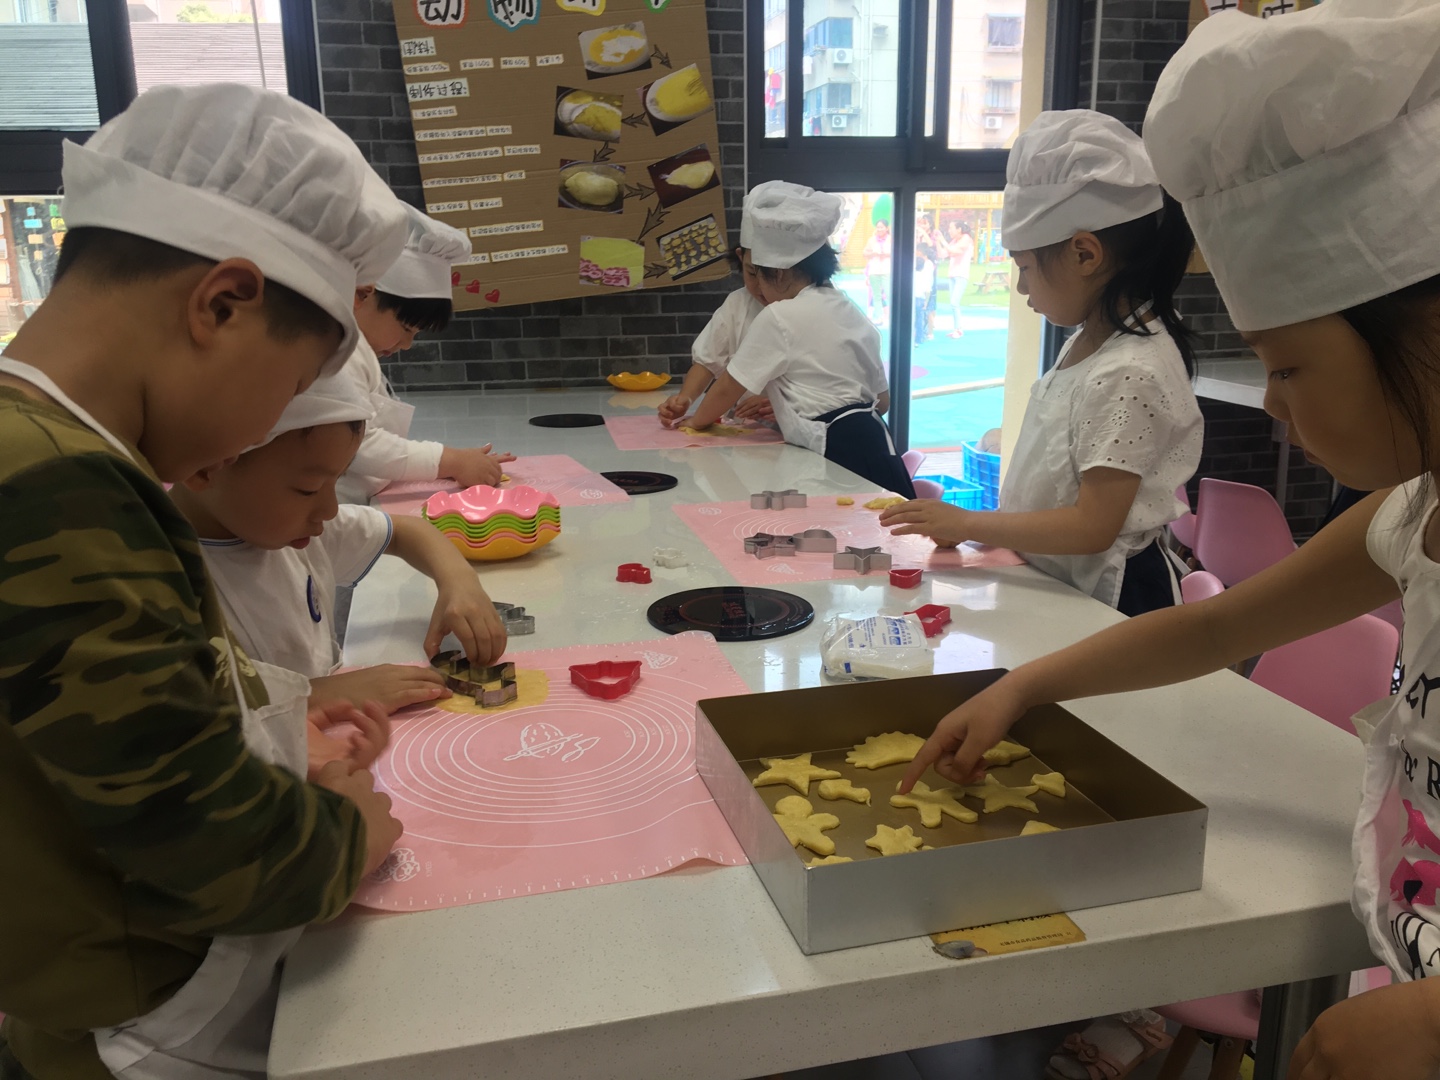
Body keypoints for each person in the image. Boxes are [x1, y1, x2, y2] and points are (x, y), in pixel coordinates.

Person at [901, 4, 1440, 1078]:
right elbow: (1214, 631)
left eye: (1287, 369)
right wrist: (1024, 689)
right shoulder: (1405, 520)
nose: (1270, 406)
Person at [0, 83, 405, 1079]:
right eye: (285, 389)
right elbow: (214, 848)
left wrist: (269, 716)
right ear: (221, 303)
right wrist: (347, 835)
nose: (257, 433)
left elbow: (109, 717)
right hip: (128, 1018)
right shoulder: (62, 486)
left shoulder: (34, 445)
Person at [880, 110, 1202, 616]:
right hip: (1059, 580)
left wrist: (968, 523)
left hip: (1114, 598)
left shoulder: (1132, 368)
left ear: (1085, 254)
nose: (1021, 287)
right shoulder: (1088, 342)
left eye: (1026, 267)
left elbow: (1092, 527)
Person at [169, 365, 509, 774]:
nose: (330, 509)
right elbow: (188, 719)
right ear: (206, 466)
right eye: (309, 488)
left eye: (336, 482)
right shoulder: (160, 583)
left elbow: (409, 531)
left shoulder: (295, 532)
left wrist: (459, 582)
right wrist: (318, 694)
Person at [687, 181, 915, 497]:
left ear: (779, 273)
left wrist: (696, 422)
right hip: (879, 443)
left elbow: (727, 388)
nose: (758, 290)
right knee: (889, 522)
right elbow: (883, 401)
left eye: (759, 276)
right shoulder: (849, 308)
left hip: (837, 452)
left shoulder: (779, 316)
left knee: (833, 525)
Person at [336, 203, 514, 505]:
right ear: (362, 295)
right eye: (406, 328)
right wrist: (451, 461)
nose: (407, 344)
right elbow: (358, 444)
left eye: (415, 334)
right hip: (339, 510)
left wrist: (456, 462)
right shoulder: (341, 355)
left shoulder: (358, 352)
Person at [943, 220, 975, 338]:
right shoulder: (954, 241)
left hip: (961, 274)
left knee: (954, 302)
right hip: (952, 274)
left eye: (951, 228)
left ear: (959, 229)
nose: (949, 231)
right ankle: (956, 328)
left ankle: (959, 329)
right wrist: (938, 241)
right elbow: (943, 254)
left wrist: (942, 240)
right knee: (953, 304)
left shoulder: (966, 239)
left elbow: (954, 251)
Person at [864, 217, 892, 322]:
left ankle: (892, 315)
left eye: (882, 227)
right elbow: (865, 253)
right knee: (876, 295)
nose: (879, 229)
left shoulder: (891, 239)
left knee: (889, 293)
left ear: (887, 228)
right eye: (878, 227)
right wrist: (873, 254)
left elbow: (897, 252)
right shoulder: (871, 240)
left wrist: (887, 254)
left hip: (887, 270)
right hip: (874, 270)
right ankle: (879, 317)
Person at [913, 251, 936, 348]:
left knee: (911, 319)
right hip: (920, 299)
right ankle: (918, 339)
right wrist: (926, 302)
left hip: (912, 299)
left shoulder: (911, 275)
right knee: (919, 319)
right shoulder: (924, 277)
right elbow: (927, 291)